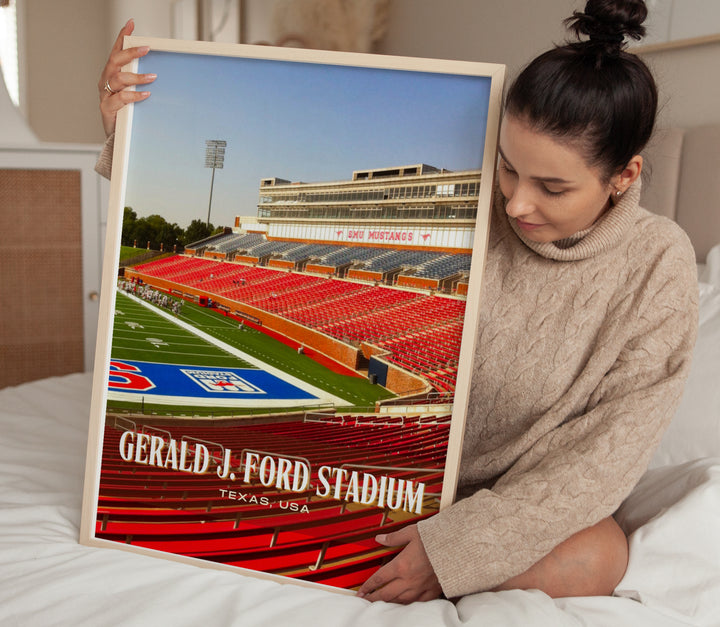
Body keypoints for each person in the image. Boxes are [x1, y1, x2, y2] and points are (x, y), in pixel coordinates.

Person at [96, 0, 698, 604]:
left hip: (511, 502)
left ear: (624, 176)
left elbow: (605, 458)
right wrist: (129, 137)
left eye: (553, 187)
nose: (515, 204)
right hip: (398, 477)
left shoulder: (657, 264)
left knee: (599, 556)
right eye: (509, 170)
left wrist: (460, 548)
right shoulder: (472, 205)